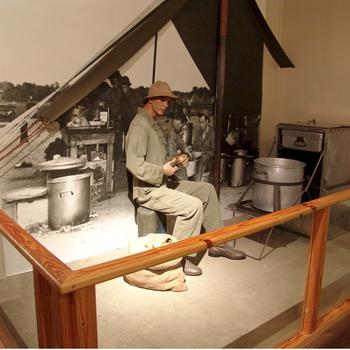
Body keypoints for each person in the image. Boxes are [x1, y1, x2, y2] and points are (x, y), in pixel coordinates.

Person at [125, 81, 245, 277]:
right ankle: (176, 259)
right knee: (193, 206)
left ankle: (217, 243)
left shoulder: (152, 122)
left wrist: (173, 161)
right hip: (148, 191)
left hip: (162, 184)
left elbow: (153, 159)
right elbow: (134, 165)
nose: (166, 104)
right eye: (163, 99)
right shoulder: (139, 125)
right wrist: (162, 170)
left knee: (206, 190)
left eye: (169, 101)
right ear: (150, 100)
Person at [163, 113, 191, 181]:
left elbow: (181, 143)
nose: (182, 129)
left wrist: (188, 153)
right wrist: (182, 158)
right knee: (182, 168)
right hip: (162, 160)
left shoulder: (173, 128)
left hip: (166, 158)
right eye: (182, 127)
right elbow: (172, 156)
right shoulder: (170, 132)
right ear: (179, 123)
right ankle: (184, 189)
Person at [192, 113, 215, 182]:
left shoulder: (212, 134)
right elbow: (195, 146)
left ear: (207, 121)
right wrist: (192, 150)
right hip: (198, 160)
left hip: (209, 162)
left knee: (204, 157)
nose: (201, 125)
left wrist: (201, 153)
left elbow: (214, 152)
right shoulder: (199, 132)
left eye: (202, 122)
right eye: (200, 122)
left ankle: (197, 182)